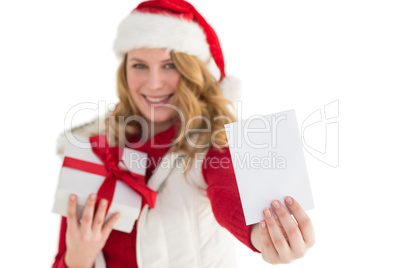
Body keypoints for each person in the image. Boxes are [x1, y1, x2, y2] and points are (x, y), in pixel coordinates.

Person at [53, 0, 315, 267]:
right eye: (139, 65)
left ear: (193, 71)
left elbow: (227, 190)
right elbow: (62, 257)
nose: (154, 83)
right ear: (124, 71)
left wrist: (261, 235)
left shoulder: (213, 142)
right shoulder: (94, 150)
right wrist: (78, 258)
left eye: (170, 65)